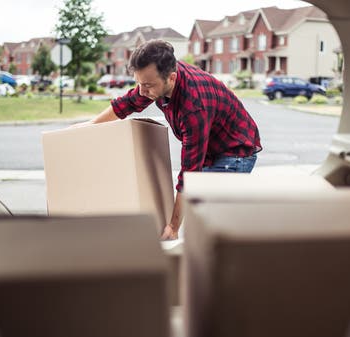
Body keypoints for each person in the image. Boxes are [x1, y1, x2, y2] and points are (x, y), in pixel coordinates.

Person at [78, 40, 262, 240]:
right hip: (211, 149)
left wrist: (173, 227)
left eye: (147, 85)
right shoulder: (158, 78)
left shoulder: (193, 106)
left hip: (235, 152)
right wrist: (89, 127)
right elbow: (127, 103)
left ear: (171, 78)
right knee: (201, 222)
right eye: (139, 83)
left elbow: (189, 175)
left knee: (209, 224)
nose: (142, 91)